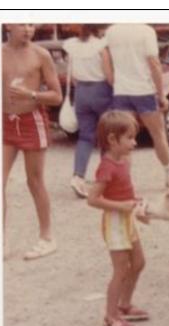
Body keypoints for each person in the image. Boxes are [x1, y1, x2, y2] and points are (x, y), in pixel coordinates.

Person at [2, 23, 63, 260]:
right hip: (2, 121)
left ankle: (47, 237)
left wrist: (32, 95)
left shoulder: (40, 55)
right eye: (22, 24)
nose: (28, 29)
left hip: (32, 121)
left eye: (31, 24)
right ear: (7, 23)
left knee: (34, 181)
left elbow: (57, 96)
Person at [87, 111, 150, 326]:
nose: (134, 142)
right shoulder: (106, 166)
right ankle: (110, 315)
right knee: (121, 268)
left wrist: (134, 201)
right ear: (113, 140)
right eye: (130, 138)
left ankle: (124, 305)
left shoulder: (123, 160)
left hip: (126, 217)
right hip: (115, 221)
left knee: (139, 262)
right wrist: (121, 206)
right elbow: (93, 199)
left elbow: (123, 189)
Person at [105, 23, 169, 186]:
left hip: (121, 91)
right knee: (158, 134)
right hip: (144, 91)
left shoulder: (112, 31)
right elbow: (154, 64)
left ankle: (124, 180)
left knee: (124, 138)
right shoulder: (146, 31)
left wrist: (113, 81)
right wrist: (161, 94)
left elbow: (106, 60)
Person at [63, 24, 114, 198]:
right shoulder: (101, 47)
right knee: (108, 136)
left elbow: (74, 78)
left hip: (81, 92)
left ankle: (78, 177)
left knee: (85, 136)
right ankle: (105, 180)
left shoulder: (73, 47)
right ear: (98, 29)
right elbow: (109, 76)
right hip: (101, 91)